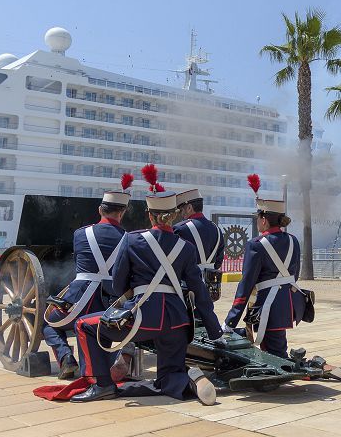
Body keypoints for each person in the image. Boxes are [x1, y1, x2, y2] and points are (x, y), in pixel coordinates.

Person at [72, 167, 221, 404]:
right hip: (178, 322)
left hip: (143, 318)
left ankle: (102, 385)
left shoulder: (132, 240)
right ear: (173, 215)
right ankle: (190, 381)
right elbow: (199, 294)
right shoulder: (186, 248)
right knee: (169, 377)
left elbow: (118, 284)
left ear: (150, 215)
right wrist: (215, 331)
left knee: (84, 325)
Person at [42, 175, 132, 380]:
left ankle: (66, 359)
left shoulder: (80, 234)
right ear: (123, 212)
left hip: (78, 301)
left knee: (49, 323)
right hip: (109, 304)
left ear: (100, 210)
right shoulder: (129, 239)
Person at [225, 194, 305, 358]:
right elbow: (294, 276)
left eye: (258, 217)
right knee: (277, 346)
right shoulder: (293, 241)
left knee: (272, 355)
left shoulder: (256, 245)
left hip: (267, 306)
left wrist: (231, 321)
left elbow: (246, 284)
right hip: (287, 303)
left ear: (263, 220)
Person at [174, 188, 225, 305]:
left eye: (182, 210)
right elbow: (219, 260)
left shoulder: (180, 228)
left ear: (189, 207)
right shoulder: (216, 229)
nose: (181, 214)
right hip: (209, 286)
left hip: (187, 287)